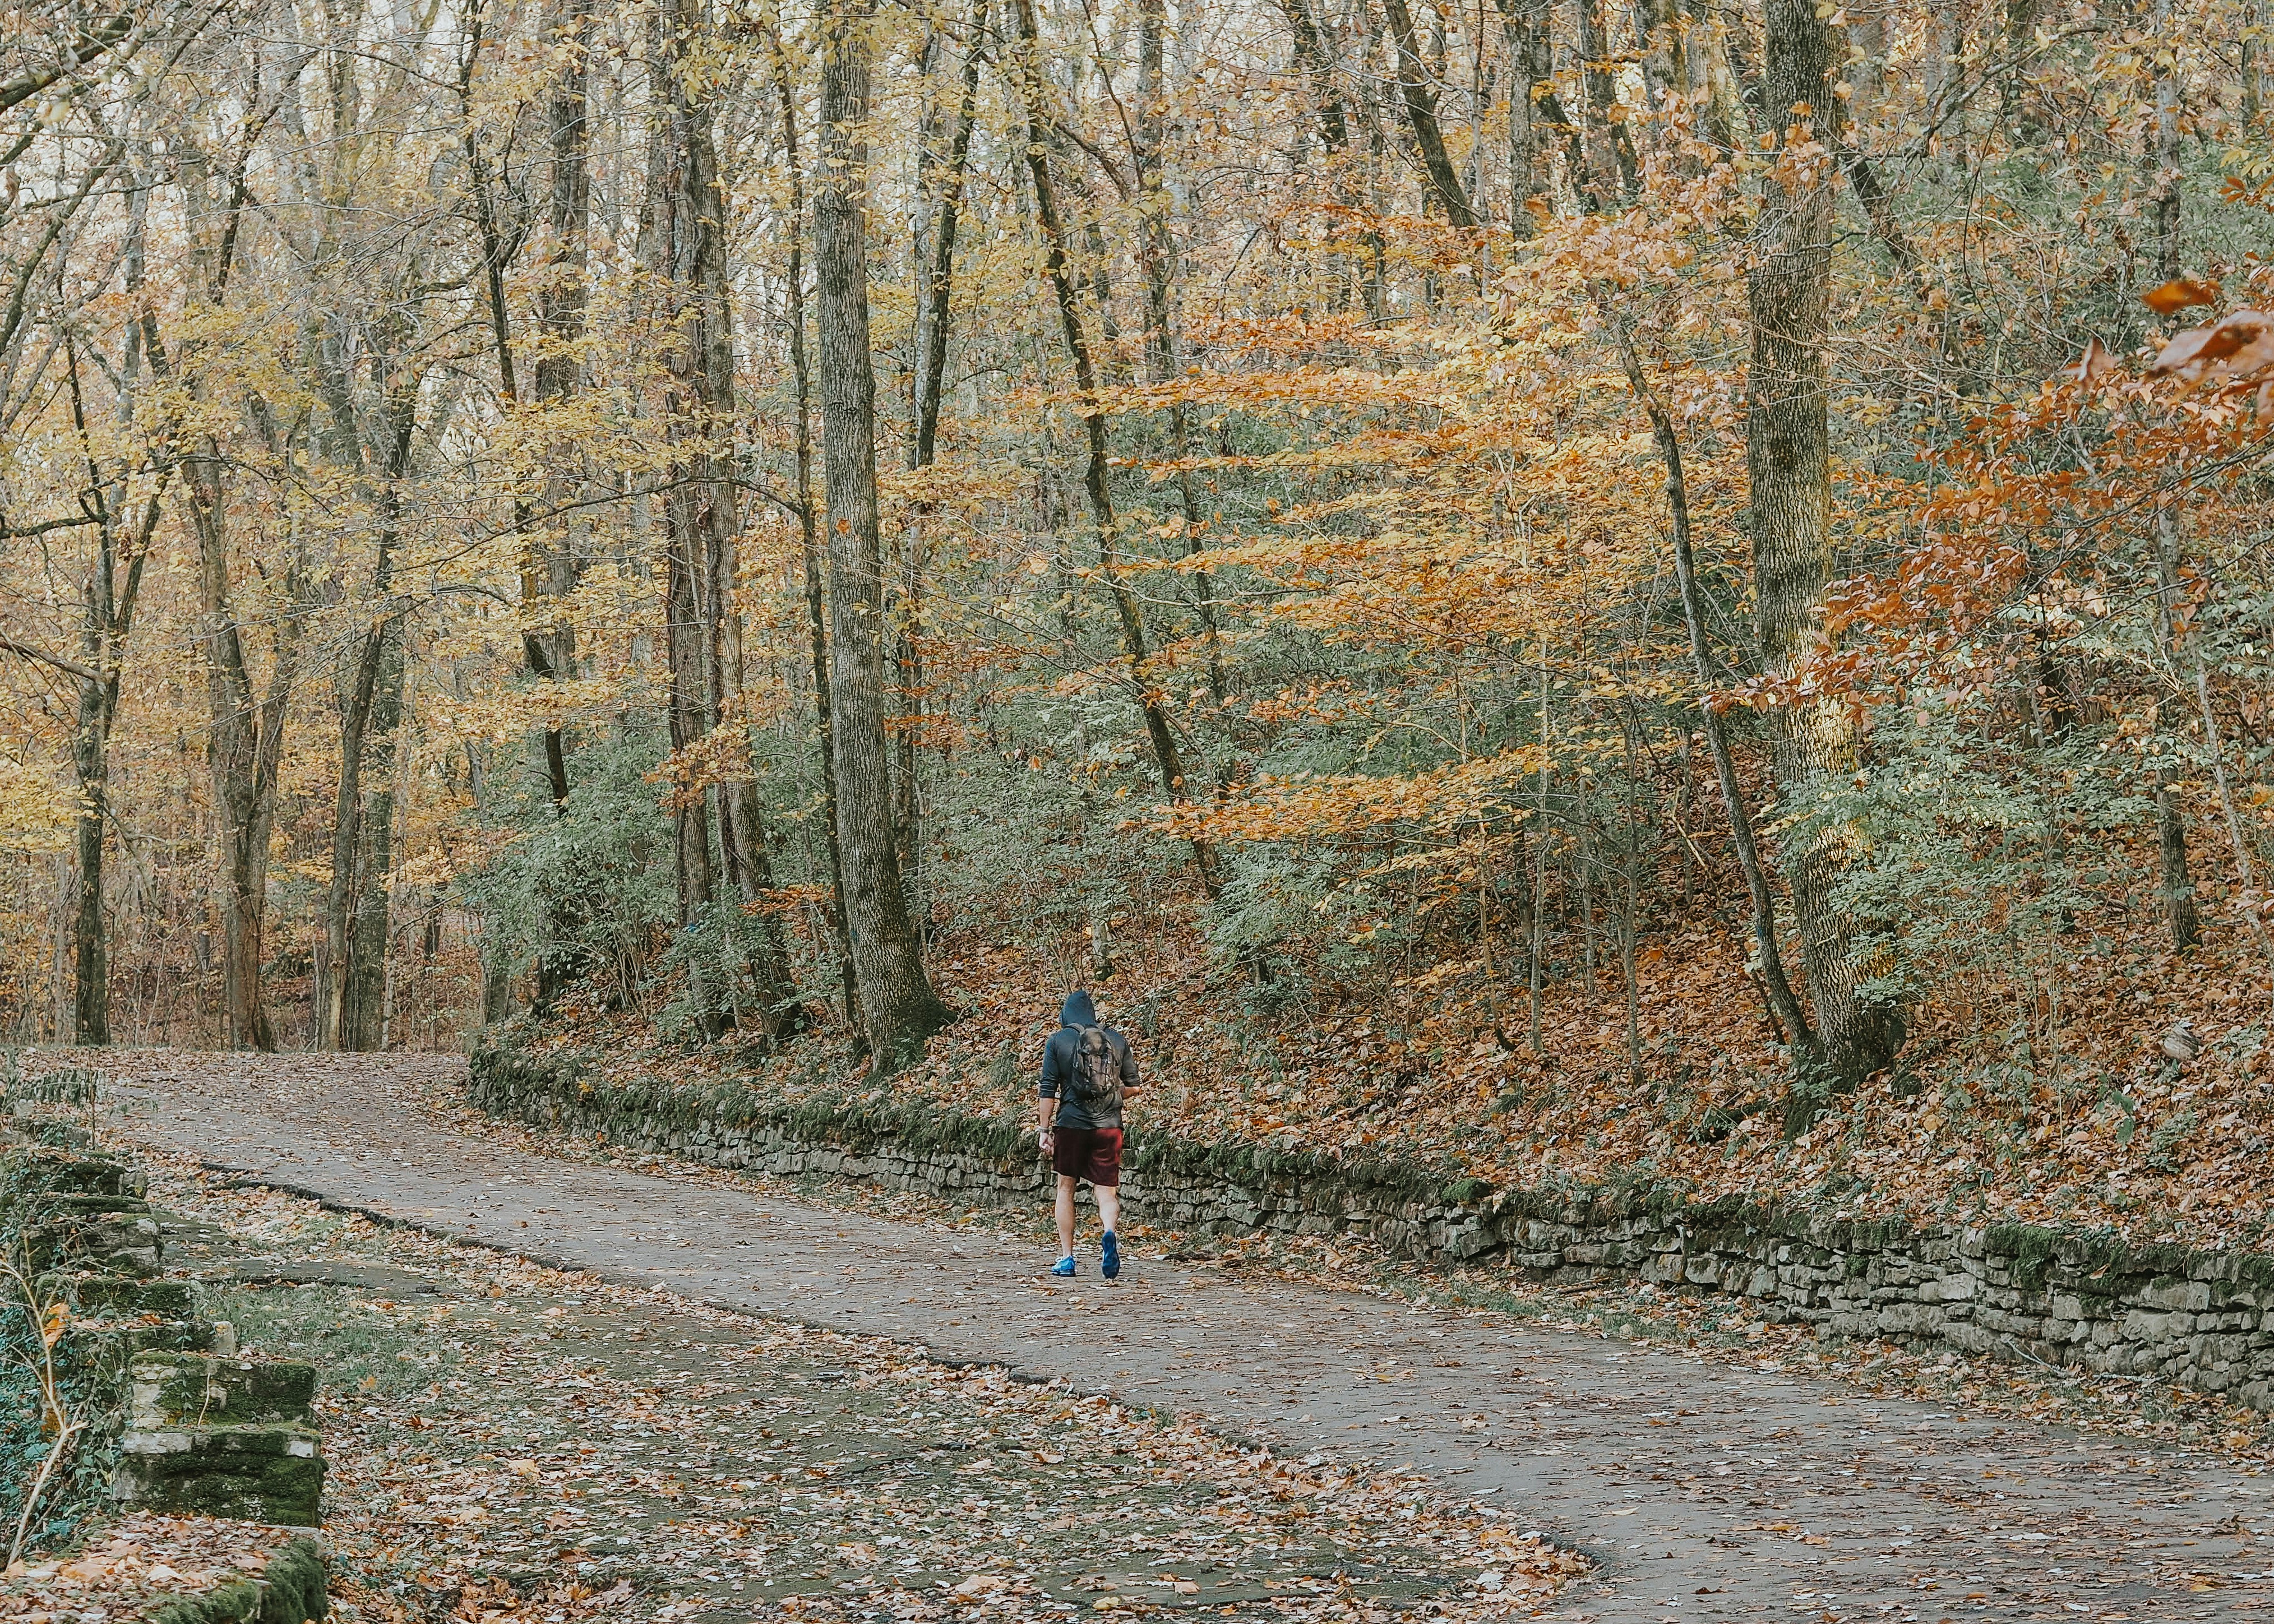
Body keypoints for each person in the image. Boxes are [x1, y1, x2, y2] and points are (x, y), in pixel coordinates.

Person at [1035, 988, 1139, 1279]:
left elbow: (1048, 1089)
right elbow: (1134, 1086)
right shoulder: (1116, 1039)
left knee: (1066, 1188)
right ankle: (1108, 1232)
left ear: (1066, 1015)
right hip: (1109, 1126)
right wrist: (1108, 1093)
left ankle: (1067, 1258)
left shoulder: (1058, 1040)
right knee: (1106, 1191)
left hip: (1071, 1124)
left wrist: (1044, 1129)